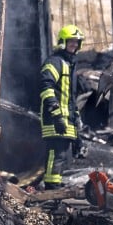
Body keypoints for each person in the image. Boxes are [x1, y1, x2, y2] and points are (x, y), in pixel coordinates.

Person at [38, 25, 84, 190]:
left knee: (62, 153)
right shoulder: (55, 62)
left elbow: (70, 98)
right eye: (71, 42)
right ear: (62, 42)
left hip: (66, 117)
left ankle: (54, 182)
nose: (74, 45)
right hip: (54, 117)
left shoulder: (70, 64)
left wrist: (76, 118)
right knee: (55, 151)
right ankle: (50, 185)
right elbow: (46, 88)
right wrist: (57, 115)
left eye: (77, 42)